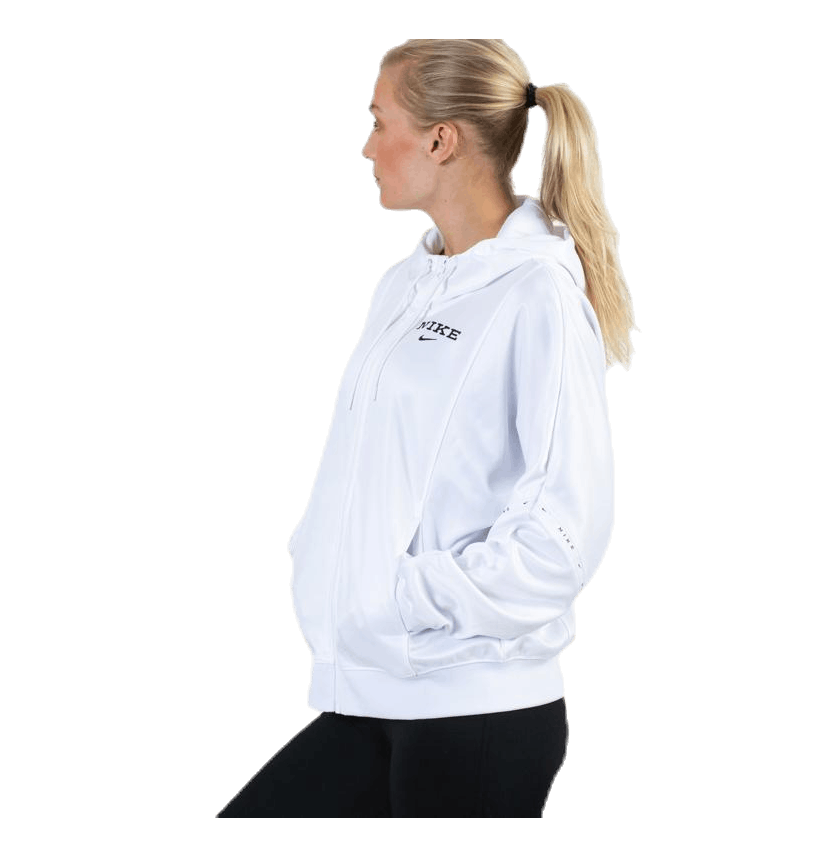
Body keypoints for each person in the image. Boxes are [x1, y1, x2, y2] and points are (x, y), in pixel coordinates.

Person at [216, 38, 639, 819]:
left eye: (379, 121)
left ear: (441, 139)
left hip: (476, 711)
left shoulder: (536, 293)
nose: (366, 146)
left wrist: (399, 597)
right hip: (377, 691)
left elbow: (565, 533)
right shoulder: (405, 284)